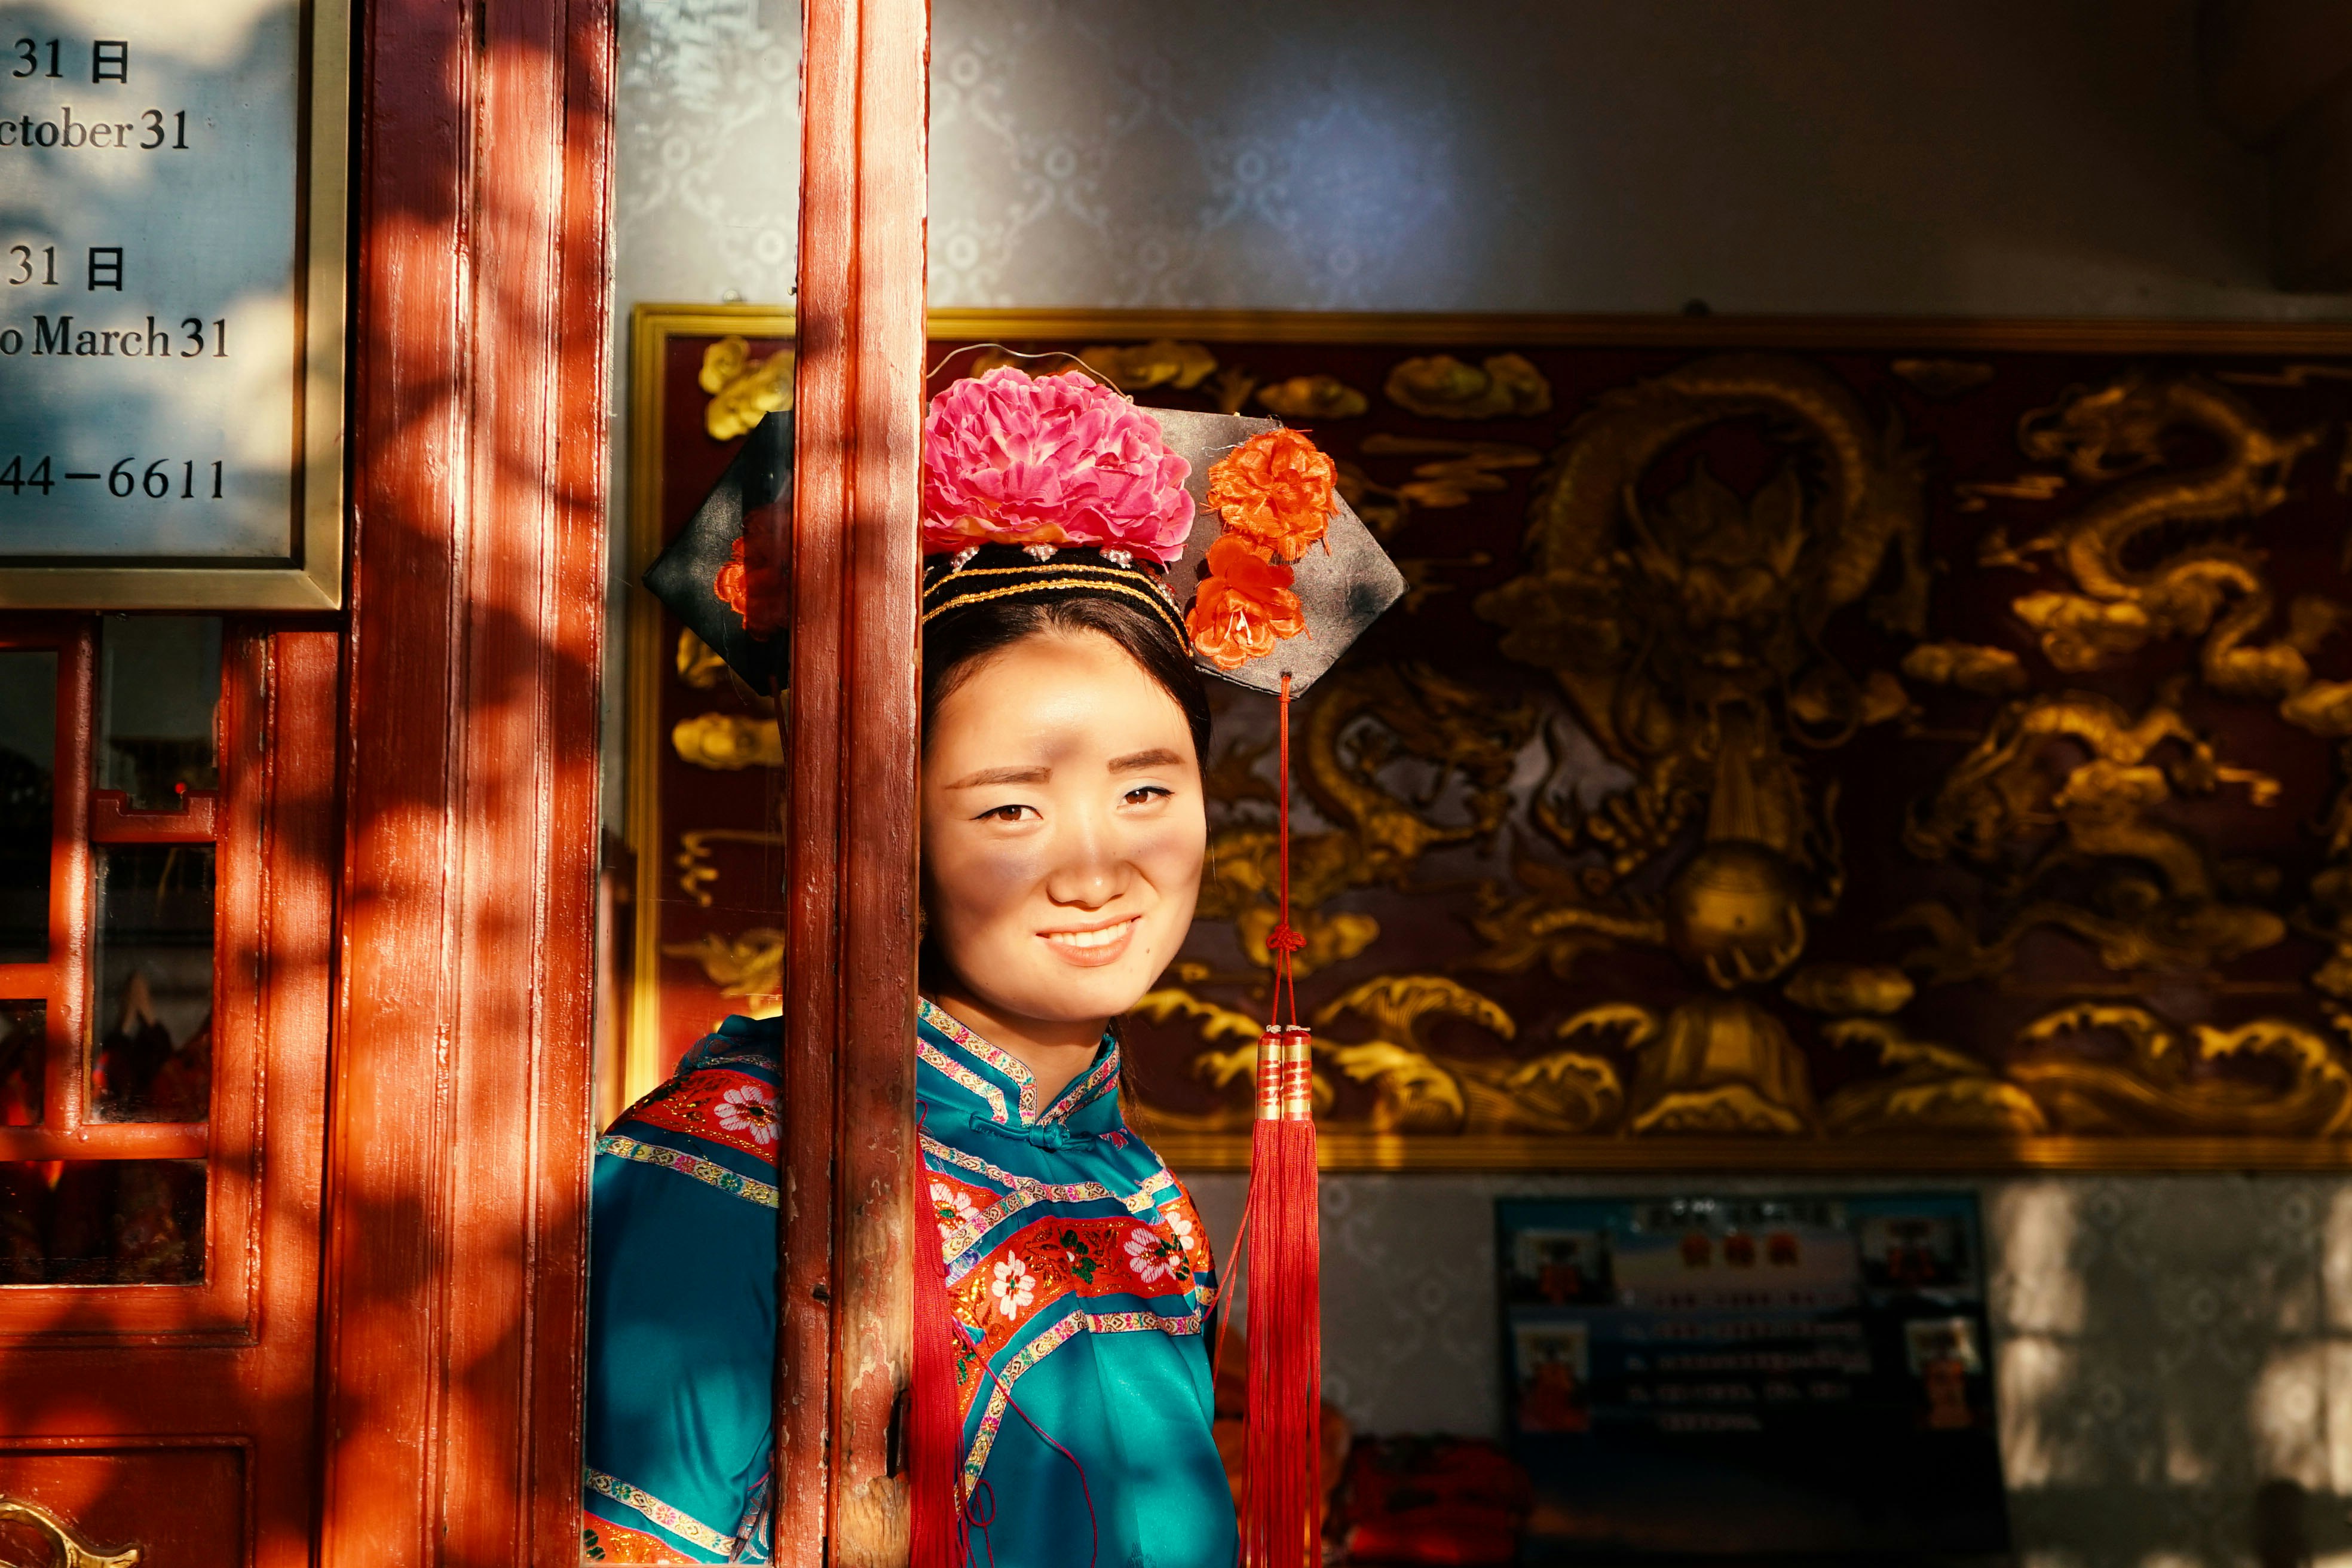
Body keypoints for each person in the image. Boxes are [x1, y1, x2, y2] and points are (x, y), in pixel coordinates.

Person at [583, 366, 1398, 1566]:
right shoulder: (740, 1165)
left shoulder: (1130, 1183)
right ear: (887, 830)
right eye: (1012, 808)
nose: (1095, 866)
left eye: (1145, 789)